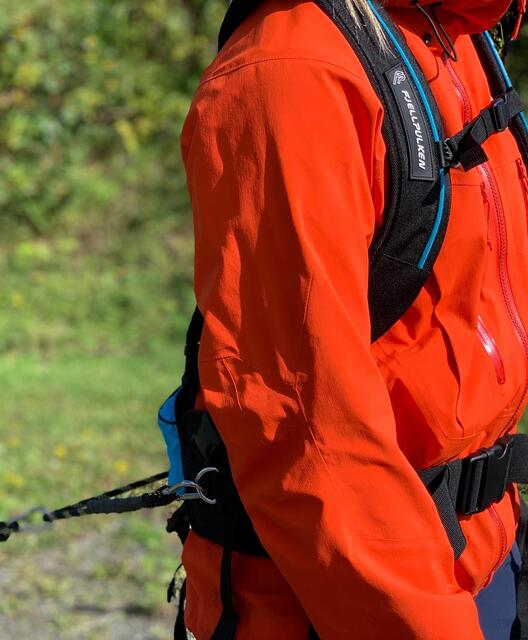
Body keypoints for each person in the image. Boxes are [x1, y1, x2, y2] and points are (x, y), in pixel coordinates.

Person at [177, 0, 528, 638]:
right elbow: (307, 431)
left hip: (483, 559)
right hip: (344, 607)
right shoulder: (292, 72)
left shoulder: (454, 35)